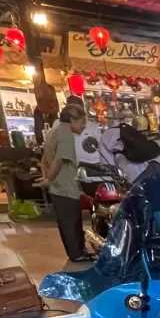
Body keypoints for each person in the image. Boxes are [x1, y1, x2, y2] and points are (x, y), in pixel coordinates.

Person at [39, 101, 88, 262]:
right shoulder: (66, 133)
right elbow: (59, 160)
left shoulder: (55, 130)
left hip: (58, 186)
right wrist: (49, 179)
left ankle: (76, 252)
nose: (84, 126)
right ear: (72, 120)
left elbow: (44, 159)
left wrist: (47, 177)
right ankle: (77, 254)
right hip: (65, 185)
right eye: (82, 122)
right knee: (71, 221)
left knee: (66, 221)